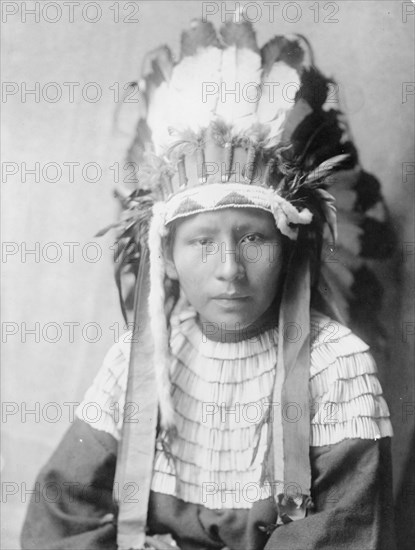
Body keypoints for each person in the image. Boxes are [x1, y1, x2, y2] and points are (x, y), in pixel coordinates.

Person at [21, 19, 396, 550]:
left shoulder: (337, 366)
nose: (229, 269)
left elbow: (347, 531)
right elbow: (60, 510)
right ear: (166, 258)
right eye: (201, 243)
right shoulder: (138, 363)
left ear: (290, 247)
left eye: (253, 240)